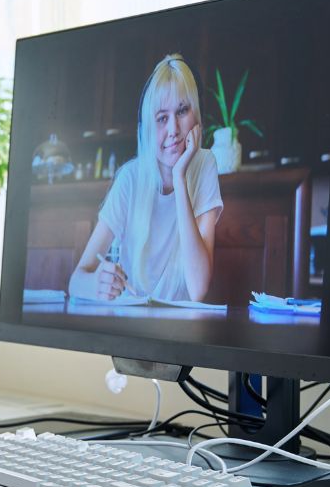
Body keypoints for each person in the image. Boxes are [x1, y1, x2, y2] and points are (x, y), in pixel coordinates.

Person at [68, 54, 222, 303]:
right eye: (162, 118)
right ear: (149, 126)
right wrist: (96, 284)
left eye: (182, 111)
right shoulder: (130, 178)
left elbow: (198, 288)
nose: (173, 130)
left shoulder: (204, 164)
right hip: (133, 324)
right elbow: (75, 281)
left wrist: (179, 177)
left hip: (181, 330)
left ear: (196, 115)